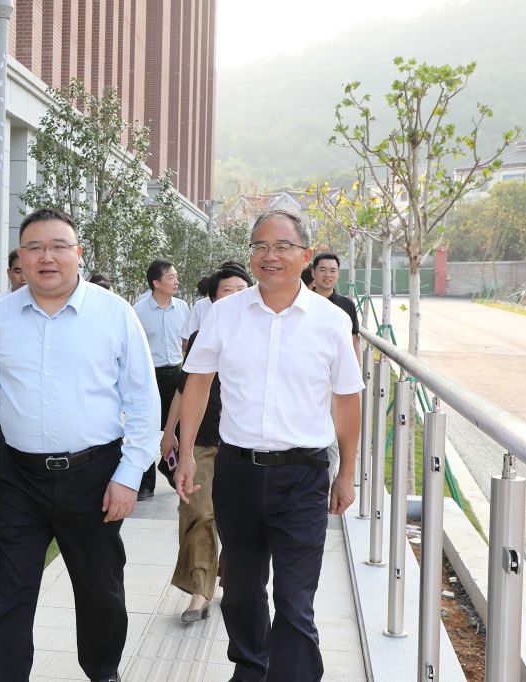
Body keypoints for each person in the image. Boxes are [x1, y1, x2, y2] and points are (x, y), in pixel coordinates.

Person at [0, 208, 160, 682]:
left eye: (58, 247)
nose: (46, 257)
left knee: (100, 593)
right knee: (10, 596)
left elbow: (143, 401)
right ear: (21, 257)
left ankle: (103, 672)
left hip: (94, 477)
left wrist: (129, 476)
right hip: (19, 478)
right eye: (34, 248)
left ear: (78, 253)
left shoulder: (114, 313)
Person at [176, 209, 363, 682]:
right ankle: (250, 668)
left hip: (303, 476)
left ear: (305, 255)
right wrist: (185, 453)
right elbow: (198, 383)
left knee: (295, 599)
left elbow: (347, 400)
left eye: (281, 246)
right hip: (237, 472)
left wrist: (346, 473)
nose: (269, 255)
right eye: (260, 246)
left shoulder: (331, 321)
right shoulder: (225, 314)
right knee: (241, 590)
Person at [160, 263, 252, 623]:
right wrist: (170, 432)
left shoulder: (266, 335)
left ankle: (233, 579)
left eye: (241, 289)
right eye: (227, 291)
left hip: (245, 444)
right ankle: (199, 590)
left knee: (240, 518)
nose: (235, 296)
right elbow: (185, 389)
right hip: (202, 440)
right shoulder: (203, 336)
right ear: (212, 300)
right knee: (198, 512)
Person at [133, 258, 189, 501]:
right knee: (147, 429)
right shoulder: (139, 311)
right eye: (171, 277)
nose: (176, 281)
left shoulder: (182, 307)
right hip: (150, 376)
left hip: (176, 374)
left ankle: (175, 472)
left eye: (176, 276)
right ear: (156, 283)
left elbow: (186, 342)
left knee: (178, 428)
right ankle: (146, 484)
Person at [311, 253, 360, 360]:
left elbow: (353, 340)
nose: (328, 275)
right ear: (313, 273)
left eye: (333, 270)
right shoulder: (303, 302)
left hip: (338, 364)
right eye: (322, 270)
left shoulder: (347, 305)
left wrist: (358, 367)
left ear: (338, 274)